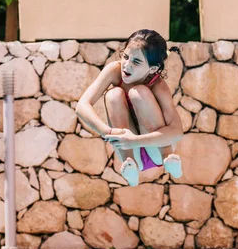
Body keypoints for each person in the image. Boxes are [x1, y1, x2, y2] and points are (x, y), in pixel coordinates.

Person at [76, 29, 183, 187]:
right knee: (113, 94)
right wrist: (109, 133)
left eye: (136, 62)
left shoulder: (158, 86)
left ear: (152, 69)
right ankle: (130, 169)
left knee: (139, 92)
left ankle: (170, 163)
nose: (127, 65)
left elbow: (176, 131)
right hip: (130, 153)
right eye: (126, 56)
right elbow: (82, 106)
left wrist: (136, 141)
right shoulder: (115, 71)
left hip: (157, 151)